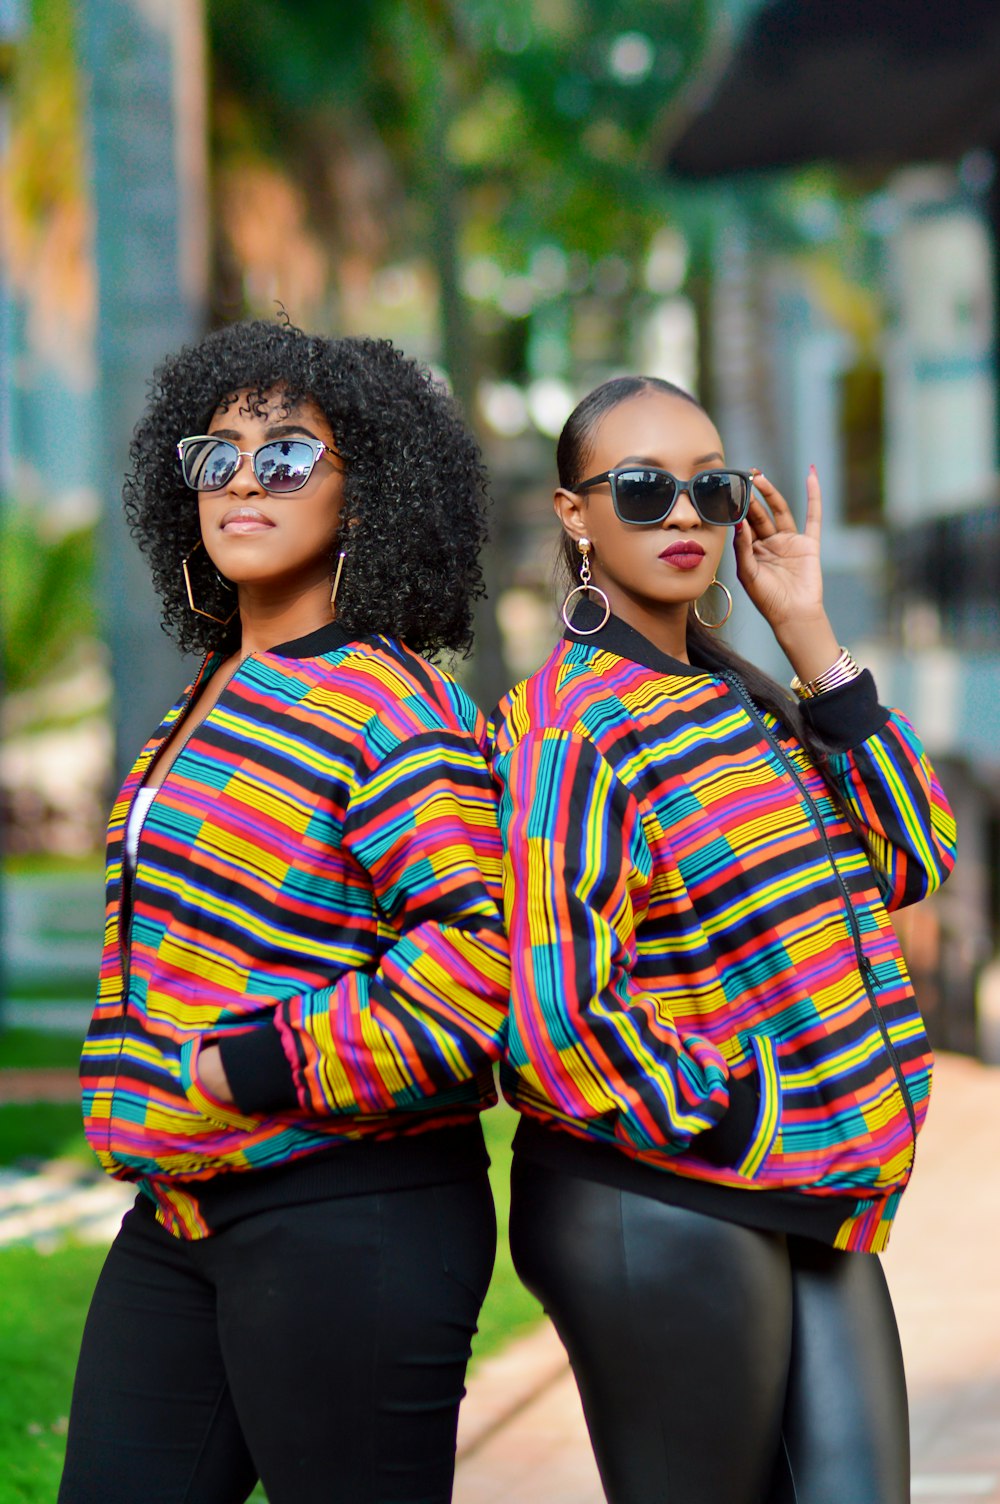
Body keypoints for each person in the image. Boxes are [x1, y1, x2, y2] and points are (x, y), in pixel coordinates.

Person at [60, 319, 510, 1504]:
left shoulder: (390, 705)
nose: (244, 478)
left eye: (290, 453)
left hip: (345, 1215)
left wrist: (252, 1066)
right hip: (184, 1206)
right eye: (217, 455)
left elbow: (476, 967)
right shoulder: (213, 688)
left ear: (369, 494)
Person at [491, 375, 957, 1504]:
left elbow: (913, 857)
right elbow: (557, 1010)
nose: (685, 515)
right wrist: (750, 1108)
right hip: (669, 1198)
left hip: (804, 1184)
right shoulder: (570, 725)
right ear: (574, 516)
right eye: (643, 490)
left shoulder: (741, 697)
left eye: (711, 487)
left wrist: (807, 630)